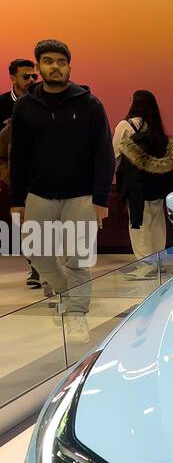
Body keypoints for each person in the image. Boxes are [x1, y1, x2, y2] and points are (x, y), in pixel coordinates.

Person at [9, 39, 114, 342]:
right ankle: (63, 290)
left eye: (61, 61)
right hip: (39, 194)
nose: (55, 66)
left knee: (76, 258)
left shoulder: (90, 104)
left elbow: (104, 153)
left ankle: (77, 312)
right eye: (48, 61)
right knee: (37, 254)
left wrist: (101, 198)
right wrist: (17, 200)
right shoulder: (26, 106)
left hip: (81, 196)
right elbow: (19, 156)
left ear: (70, 66)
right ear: (39, 66)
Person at [113, 90, 173, 278]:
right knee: (157, 223)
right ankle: (158, 262)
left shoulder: (124, 125)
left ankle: (145, 264)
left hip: (136, 185)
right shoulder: (156, 127)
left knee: (138, 224)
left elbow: (116, 154)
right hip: (157, 184)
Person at [0, 58, 42, 288]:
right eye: (25, 76)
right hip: (16, 178)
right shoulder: (1, 105)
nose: (30, 80)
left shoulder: (41, 102)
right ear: (13, 78)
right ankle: (35, 266)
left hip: (44, 176)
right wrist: (7, 174)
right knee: (26, 225)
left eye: (33, 76)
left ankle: (43, 267)